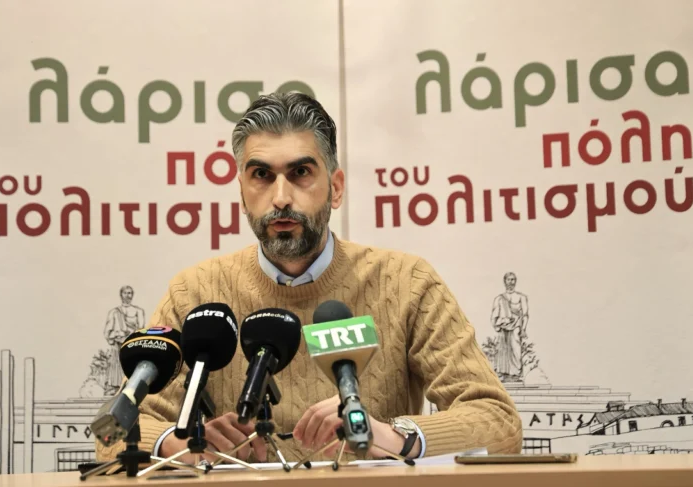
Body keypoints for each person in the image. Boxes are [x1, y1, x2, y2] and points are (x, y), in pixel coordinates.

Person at [95, 92, 522, 466]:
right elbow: (111, 436)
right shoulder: (195, 293)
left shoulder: (407, 282)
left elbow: (500, 424)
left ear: (335, 188)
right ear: (241, 191)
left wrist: (394, 437)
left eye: (300, 173)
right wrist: (178, 444)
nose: (281, 197)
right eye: (261, 175)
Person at [490, 272, 529, 382]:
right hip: (503, 327)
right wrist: (499, 324)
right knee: (502, 349)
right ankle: (503, 373)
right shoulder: (499, 298)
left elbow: (525, 315)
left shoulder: (521, 297)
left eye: (513, 280)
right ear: (505, 281)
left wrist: (523, 329)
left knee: (516, 347)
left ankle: (516, 374)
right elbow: (494, 316)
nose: (511, 282)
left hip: (516, 325)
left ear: (515, 281)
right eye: (509, 279)